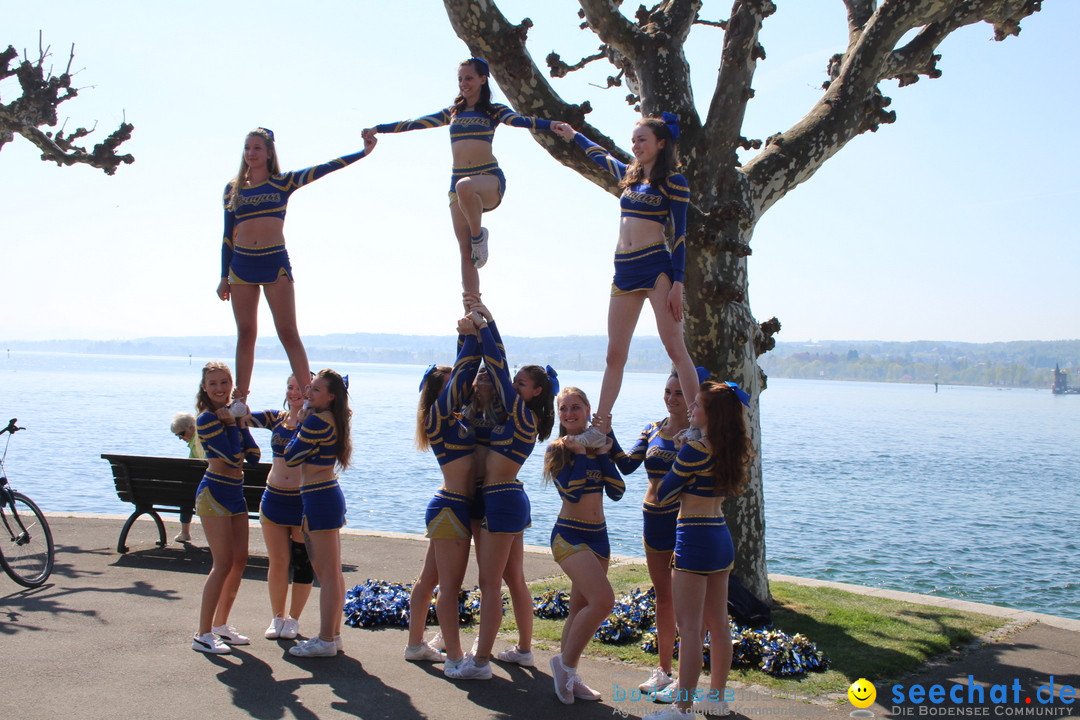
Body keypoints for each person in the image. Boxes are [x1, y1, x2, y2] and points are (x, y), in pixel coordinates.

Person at [362, 58, 569, 297]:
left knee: (465, 188)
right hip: (457, 183)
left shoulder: (494, 111)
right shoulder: (453, 113)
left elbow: (520, 120)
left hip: (487, 178)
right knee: (465, 250)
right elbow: (414, 123)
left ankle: (478, 235)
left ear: (482, 79)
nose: (463, 84)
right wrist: (379, 129)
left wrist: (551, 124)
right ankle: (473, 306)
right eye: (460, 79)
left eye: (469, 78)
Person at [552, 115, 698, 446]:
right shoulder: (630, 177)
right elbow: (600, 156)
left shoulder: (674, 182)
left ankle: (696, 423)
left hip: (656, 267)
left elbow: (680, 236)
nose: (636, 146)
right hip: (624, 269)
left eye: (642, 139)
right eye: (633, 140)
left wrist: (678, 284)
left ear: (661, 143)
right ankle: (600, 427)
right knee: (614, 355)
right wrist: (575, 134)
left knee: (675, 347)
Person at [216, 127, 376, 411]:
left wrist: (363, 152)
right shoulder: (233, 189)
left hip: (274, 261)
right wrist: (222, 276)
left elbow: (324, 168)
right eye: (247, 148)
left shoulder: (283, 182)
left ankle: (308, 398)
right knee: (246, 333)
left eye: (256, 148)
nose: (251, 153)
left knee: (288, 331)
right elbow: (228, 236)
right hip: (241, 266)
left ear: (268, 153)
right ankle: (240, 400)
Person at [444, 305, 555, 681]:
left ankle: (480, 661)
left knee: (490, 583)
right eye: (516, 383)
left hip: (502, 499)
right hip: (497, 498)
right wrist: (473, 332)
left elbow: (496, 367)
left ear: (536, 392)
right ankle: (523, 649)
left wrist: (487, 324)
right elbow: (486, 373)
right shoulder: (512, 414)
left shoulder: (523, 414)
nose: (514, 387)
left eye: (521, 384)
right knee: (511, 578)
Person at [645, 381, 753, 719]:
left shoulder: (695, 449)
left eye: (697, 404)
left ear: (712, 413)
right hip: (720, 535)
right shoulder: (732, 447)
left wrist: (680, 453)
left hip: (693, 536)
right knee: (719, 624)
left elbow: (665, 492)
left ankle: (681, 708)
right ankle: (716, 698)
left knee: (689, 628)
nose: (690, 408)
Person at [609, 367, 709, 696]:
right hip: (652, 518)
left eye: (679, 393)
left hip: (683, 523)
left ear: (693, 397)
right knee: (663, 598)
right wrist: (608, 436)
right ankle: (663, 671)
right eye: (668, 391)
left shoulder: (698, 436)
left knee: (686, 605)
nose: (671, 398)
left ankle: (686, 677)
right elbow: (626, 464)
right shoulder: (652, 429)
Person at [407, 316, 482, 671]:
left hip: (452, 508)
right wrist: (472, 338)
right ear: (439, 391)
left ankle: (415, 644)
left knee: (430, 580)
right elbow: (464, 376)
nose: (460, 387)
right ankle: (454, 658)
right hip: (451, 508)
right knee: (449, 587)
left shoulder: (455, 415)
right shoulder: (438, 417)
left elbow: (464, 378)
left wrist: (465, 337)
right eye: (450, 384)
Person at [543, 386, 625, 704]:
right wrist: (578, 455)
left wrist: (602, 454)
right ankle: (563, 666)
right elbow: (573, 492)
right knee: (604, 602)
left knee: (579, 610)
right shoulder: (557, 449)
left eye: (575, 407)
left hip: (599, 538)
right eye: (563, 409)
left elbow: (618, 489)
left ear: (589, 410)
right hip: (569, 535)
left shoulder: (597, 444)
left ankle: (569, 674)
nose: (569, 414)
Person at [190, 362, 261, 655]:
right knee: (221, 564)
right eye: (213, 383)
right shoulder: (207, 420)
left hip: (235, 494)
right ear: (205, 388)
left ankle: (221, 625)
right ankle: (202, 634)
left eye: (224, 382)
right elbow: (233, 457)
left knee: (240, 560)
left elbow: (253, 456)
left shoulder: (231, 415)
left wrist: (240, 421)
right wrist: (232, 425)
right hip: (215, 493)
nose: (219, 388)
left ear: (231, 385)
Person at [283, 368, 353, 658]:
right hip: (324, 494)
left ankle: (325, 639)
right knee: (332, 573)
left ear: (330, 397)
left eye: (315, 390)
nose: (308, 394)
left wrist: (300, 424)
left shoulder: (316, 423)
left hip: (319, 497)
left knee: (326, 574)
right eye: (309, 388)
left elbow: (290, 455)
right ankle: (333, 635)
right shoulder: (331, 419)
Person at [248, 375, 313, 642]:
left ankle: (294, 619)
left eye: (300, 387)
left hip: (301, 501)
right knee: (277, 561)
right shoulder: (276, 417)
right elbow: (242, 417)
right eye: (290, 387)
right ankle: (277, 617)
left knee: (301, 562)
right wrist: (236, 399)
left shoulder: (317, 420)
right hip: (274, 498)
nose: (294, 392)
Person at [170, 411, 205, 543]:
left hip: (200, 489)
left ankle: (185, 532)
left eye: (181, 434)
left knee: (185, 493)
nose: (181, 438)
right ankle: (184, 532)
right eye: (177, 436)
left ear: (192, 428)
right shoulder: (201, 439)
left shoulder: (198, 442)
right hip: (197, 488)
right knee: (187, 491)